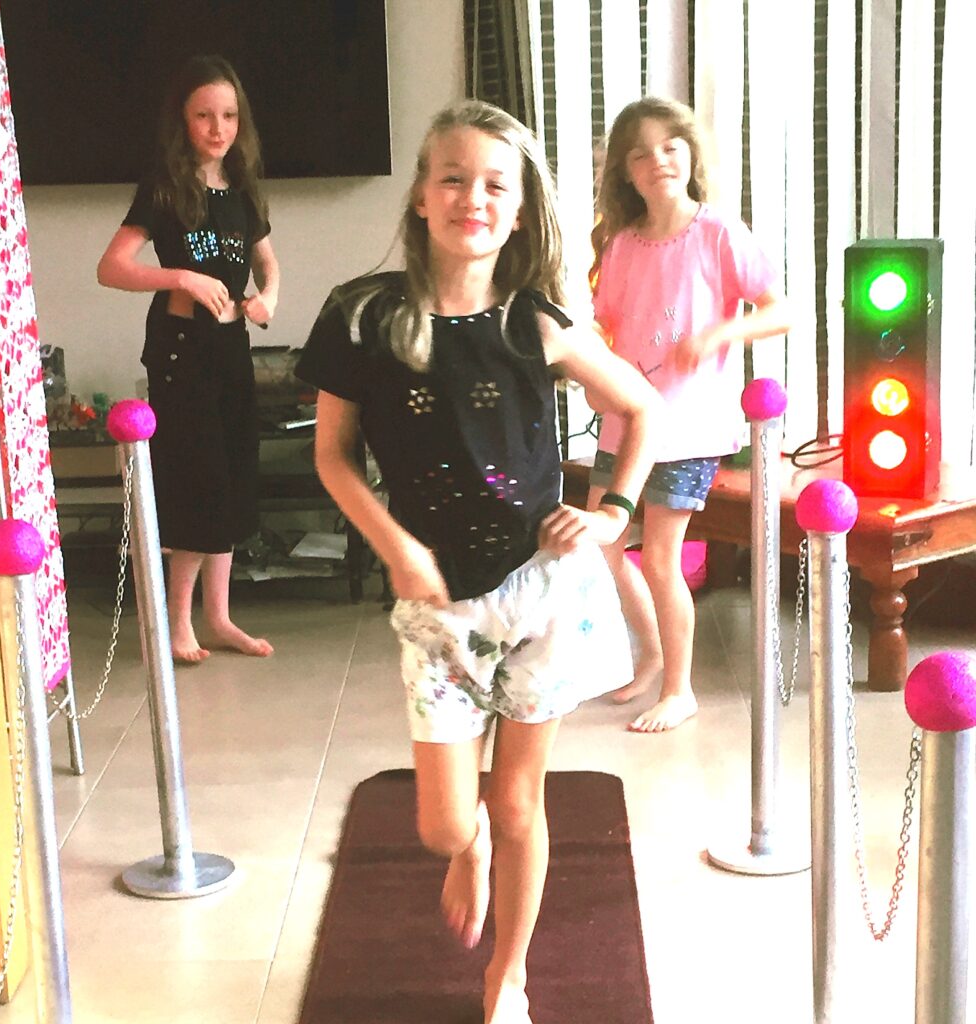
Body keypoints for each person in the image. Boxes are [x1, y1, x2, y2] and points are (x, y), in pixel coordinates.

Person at [294, 100, 659, 1024]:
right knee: (448, 824)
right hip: (438, 609)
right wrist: (399, 547)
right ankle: (471, 853)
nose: (472, 198)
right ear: (420, 196)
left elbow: (644, 410)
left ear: (522, 208)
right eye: (452, 178)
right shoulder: (361, 314)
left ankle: (508, 974)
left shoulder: (534, 318)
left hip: (542, 592)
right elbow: (332, 456)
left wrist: (611, 513)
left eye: (496, 184)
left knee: (519, 802)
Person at [587, 96, 792, 733]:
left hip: (687, 429)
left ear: (690, 154)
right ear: (625, 170)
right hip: (625, 423)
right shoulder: (621, 244)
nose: (658, 161)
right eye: (640, 153)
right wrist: (593, 370)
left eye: (670, 146)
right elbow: (606, 325)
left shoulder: (718, 233)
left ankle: (680, 689)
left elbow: (780, 310)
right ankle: (651, 655)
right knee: (605, 546)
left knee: (662, 559)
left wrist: (716, 335)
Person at [97, 54, 279, 663]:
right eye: (204, 115)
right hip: (180, 353)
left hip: (230, 347)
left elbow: (267, 260)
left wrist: (267, 297)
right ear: (184, 120)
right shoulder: (165, 189)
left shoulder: (243, 189)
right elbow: (112, 267)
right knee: (197, 483)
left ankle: (219, 617)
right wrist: (184, 277)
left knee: (229, 479)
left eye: (228, 115)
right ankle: (178, 623)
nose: (217, 128)